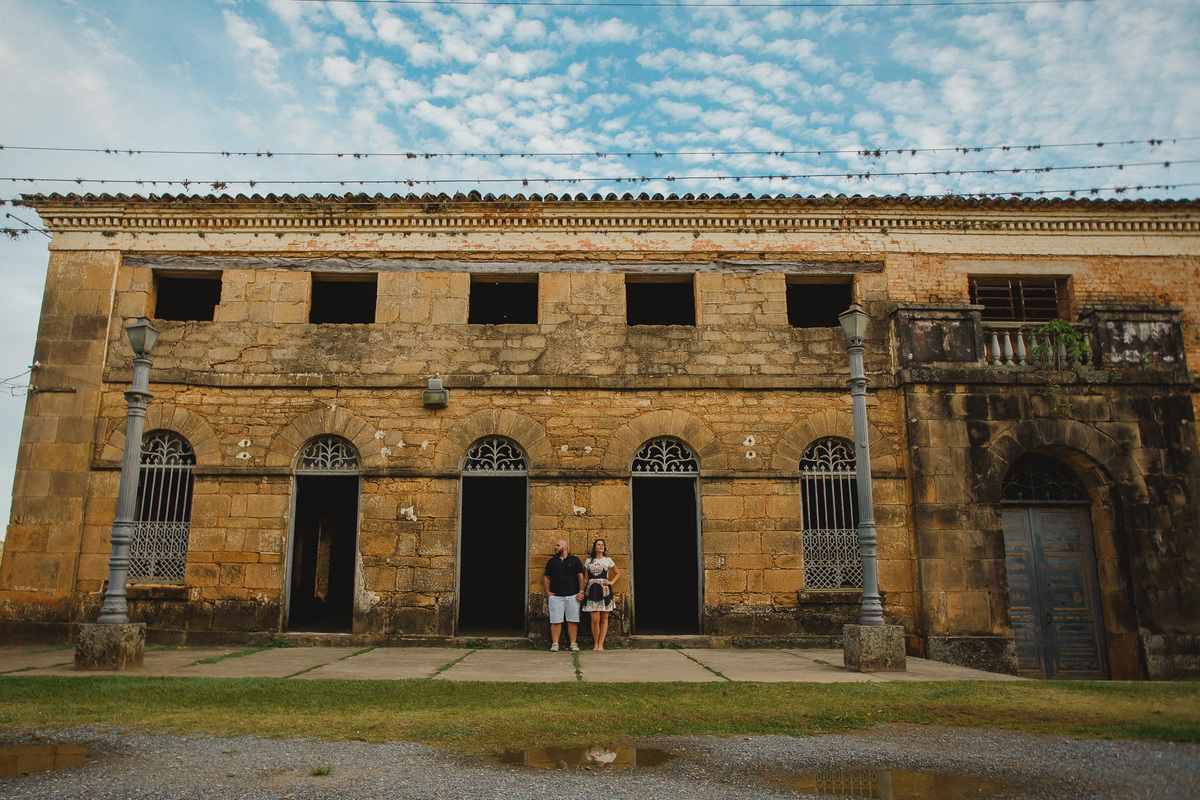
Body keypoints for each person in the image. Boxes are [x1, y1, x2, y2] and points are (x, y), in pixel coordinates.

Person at [543, 538, 585, 651]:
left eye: (558, 545)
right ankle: (555, 643)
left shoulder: (575, 560)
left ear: (565, 547)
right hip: (556, 596)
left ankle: (573, 643)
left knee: (572, 620)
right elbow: (547, 577)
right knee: (555, 620)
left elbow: (580, 577)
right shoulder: (552, 562)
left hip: (572, 595)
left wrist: (581, 592)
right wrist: (547, 592)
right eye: (555, 546)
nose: (555, 547)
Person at [582, 538, 620, 651]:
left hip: (604, 590)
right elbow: (585, 579)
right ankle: (595, 643)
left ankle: (601, 644)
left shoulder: (608, 560)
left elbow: (617, 573)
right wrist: (581, 591)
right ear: (595, 547)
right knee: (595, 619)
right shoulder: (588, 561)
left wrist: (611, 582)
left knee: (604, 617)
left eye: (602, 545)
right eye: (599, 545)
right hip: (592, 591)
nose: (601, 546)